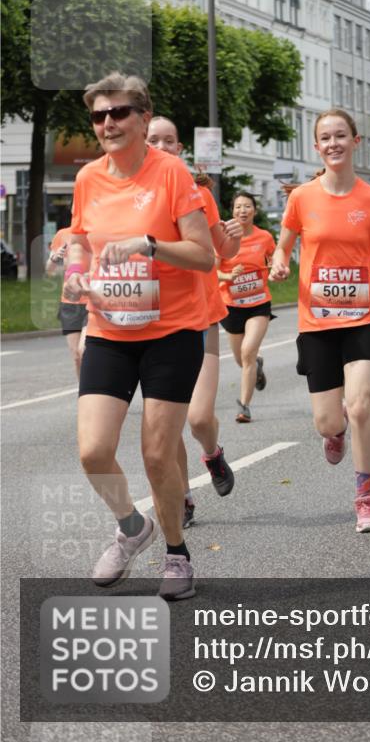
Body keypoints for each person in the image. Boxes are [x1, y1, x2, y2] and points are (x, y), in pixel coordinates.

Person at [64, 74, 215, 602]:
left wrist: (148, 244)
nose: (107, 123)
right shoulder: (88, 178)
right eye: (98, 116)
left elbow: (204, 256)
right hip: (109, 328)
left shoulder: (171, 172)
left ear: (143, 118)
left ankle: (176, 554)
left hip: (172, 332)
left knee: (156, 454)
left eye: (119, 112)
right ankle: (132, 527)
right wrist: (75, 273)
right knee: (92, 452)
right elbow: (80, 241)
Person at [269, 109, 370, 534]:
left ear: (355, 142)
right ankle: (333, 432)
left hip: (361, 318)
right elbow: (283, 246)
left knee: (360, 408)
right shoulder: (302, 198)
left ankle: (365, 501)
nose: (333, 143)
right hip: (317, 322)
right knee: (329, 421)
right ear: (316, 147)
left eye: (341, 135)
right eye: (326, 137)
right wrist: (279, 263)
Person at [146, 116, 241, 529]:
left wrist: (233, 238)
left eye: (169, 140)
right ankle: (183, 497)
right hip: (155, 322)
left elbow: (224, 249)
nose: (161, 147)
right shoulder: (133, 196)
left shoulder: (198, 193)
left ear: (180, 148)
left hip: (202, 317)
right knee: (165, 428)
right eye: (154, 140)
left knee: (199, 418)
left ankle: (213, 453)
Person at [218, 191, 277, 423]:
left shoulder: (265, 237)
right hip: (231, 305)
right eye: (238, 207)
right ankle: (257, 367)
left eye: (247, 206)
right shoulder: (222, 238)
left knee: (247, 352)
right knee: (241, 359)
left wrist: (277, 270)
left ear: (255, 210)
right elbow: (211, 270)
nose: (242, 211)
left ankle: (244, 407)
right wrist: (228, 276)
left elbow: (275, 261)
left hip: (258, 303)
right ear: (232, 211)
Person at [46, 226, 89, 377]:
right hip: (69, 303)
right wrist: (54, 258)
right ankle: (83, 390)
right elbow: (49, 270)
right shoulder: (62, 235)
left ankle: (95, 387)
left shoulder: (96, 229)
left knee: (83, 351)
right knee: (76, 357)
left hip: (92, 302)